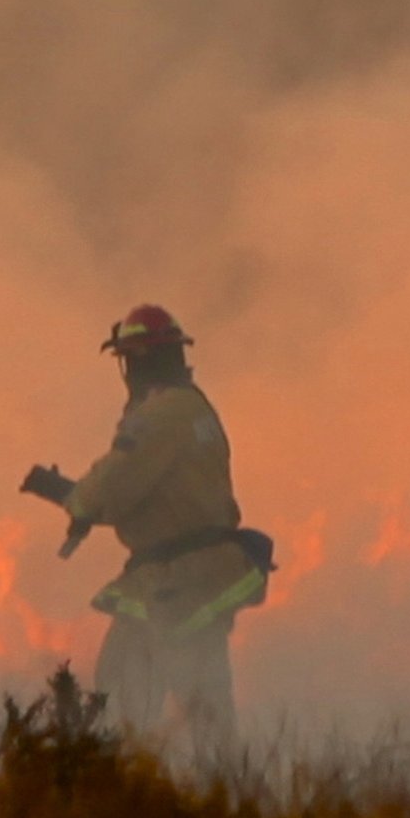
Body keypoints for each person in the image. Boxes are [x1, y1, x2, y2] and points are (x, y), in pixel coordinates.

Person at [19, 304, 273, 741]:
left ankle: (133, 782)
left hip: (175, 581)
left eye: (128, 361)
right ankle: (220, 787)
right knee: (206, 706)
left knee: (121, 699)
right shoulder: (195, 408)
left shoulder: (158, 418)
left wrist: (72, 496)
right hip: (205, 573)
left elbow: (115, 485)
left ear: (138, 362)